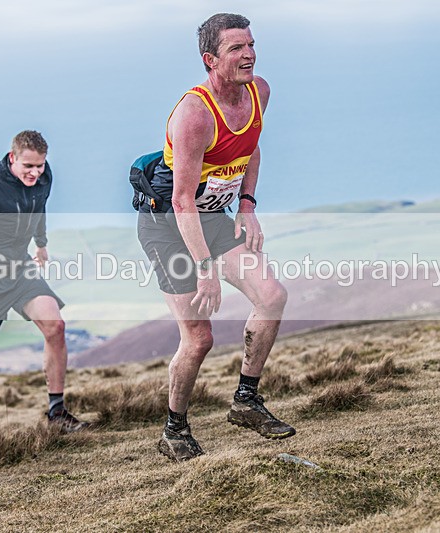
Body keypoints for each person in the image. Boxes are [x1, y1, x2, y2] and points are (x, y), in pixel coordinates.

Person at [137, 14, 292, 462]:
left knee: (272, 296)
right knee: (199, 337)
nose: (249, 55)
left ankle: (246, 400)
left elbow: (251, 146)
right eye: (236, 49)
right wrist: (205, 269)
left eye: (251, 45)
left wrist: (247, 205)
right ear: (210, 59)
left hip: (213, 218)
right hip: (169, 225)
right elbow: (182, 200)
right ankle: (174, 430)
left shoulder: (259, 92)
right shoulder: (194, 114)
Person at [0, 130, 88, 445]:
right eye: (28, 166)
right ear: (12, 158)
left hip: (19, 269)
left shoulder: (44, 177)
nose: (35, 173)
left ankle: (57, 412)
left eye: (40, 166)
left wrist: (41, 243)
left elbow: (39, 206)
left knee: (56, 327)